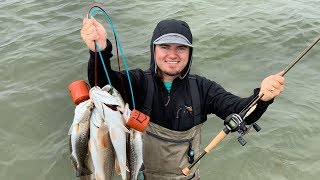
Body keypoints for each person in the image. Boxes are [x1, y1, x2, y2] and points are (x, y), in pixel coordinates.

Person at [81, 18, 285, 179]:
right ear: (154, 50)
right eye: (165, 47)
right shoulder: (138, 82)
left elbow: (241, 112)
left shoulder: (202, 88)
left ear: (189, 52)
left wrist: (262, 97)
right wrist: (99, 50)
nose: (173, 54)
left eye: (181, 48)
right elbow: (101, 85)